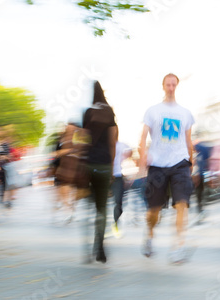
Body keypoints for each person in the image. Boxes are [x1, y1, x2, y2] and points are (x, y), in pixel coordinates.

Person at [138, 73, 195, 263]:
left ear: (177, 86)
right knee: (154, 210)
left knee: (182, 204)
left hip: (180, 163)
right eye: (168, 84)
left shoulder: (185, 113)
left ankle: (179, 246)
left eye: (173, 84)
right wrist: (143, 156)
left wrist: (191, 161)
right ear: (163, 86)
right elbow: (143, 136)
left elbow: (188, 140)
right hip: (158, 165)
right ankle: (150, 235)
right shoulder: (153, 111)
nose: (171, 87)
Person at [83, 81, 118, 263]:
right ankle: (100, 247)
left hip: (88, 165)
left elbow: (82, 139)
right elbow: (113, 142)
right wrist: (112, 167)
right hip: (104, 165)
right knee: (102, 208)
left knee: (88, 206)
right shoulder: (109, 112)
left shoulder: (88, 112)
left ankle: (85, 249)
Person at [111, 140, 133, 238]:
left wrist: (125, 156)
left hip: (117, 176)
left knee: (119, 203)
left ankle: (115, 223)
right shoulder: (103, 143)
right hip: (104, 175)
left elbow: (130, 150)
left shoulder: (121, 145)